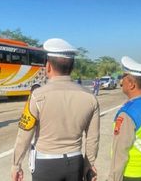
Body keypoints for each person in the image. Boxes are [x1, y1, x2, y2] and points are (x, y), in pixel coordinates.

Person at [11, 38, 100, 181]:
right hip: (75, 163)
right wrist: (89, 165)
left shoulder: (37, 96)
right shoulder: (90, 97)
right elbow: (93, 138)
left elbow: (24, 134)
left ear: (48, 66)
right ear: (72, 67)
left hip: (46, 165)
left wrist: (16, 165)